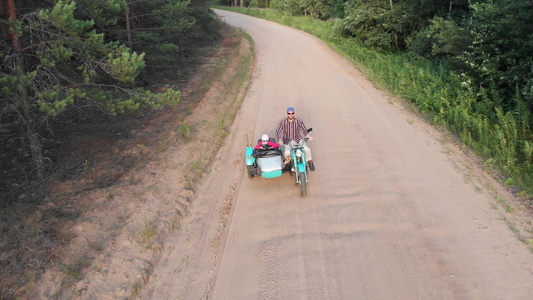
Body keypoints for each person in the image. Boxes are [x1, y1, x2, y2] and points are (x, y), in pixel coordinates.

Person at [275, 107, 315, 171]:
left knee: (307, 149)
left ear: (294, 113)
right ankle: (288, 164)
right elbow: (278, 131)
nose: (291, 115)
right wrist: (280, 139)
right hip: (287, 141)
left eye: (292, 113)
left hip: (298, 140)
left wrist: (308, 136)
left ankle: (310, 161)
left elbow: (304, 130)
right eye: (289, 113)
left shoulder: (298, 120)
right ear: (287, 113)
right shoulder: (283, 121)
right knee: (287, 153)